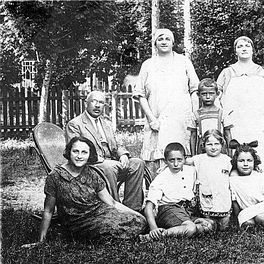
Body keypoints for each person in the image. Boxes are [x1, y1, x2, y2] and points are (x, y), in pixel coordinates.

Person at [22, 137, 147, 248]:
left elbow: (112, 202)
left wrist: (137, 214)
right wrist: (41, 240)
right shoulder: (55, 176)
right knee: (111, 228)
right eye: (75, 151)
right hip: (76, 222)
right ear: (68, 152)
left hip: (99, 212)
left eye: (84, 152)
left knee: (139, 222)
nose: (79, 156)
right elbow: (48, 211)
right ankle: (125, 239)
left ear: (89, 155)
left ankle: (126, 236)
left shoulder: (93, 173)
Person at [65, 91, 145, 212]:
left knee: (137, 163)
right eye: (94, 101)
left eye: (101, 102)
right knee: (108, 167)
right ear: (86, 103)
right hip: (89, 166)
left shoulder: (106, 123)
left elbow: (117, 144)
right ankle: (115, 208)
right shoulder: (75, 124)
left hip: (111, 164)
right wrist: (104, 161)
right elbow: (75, 152)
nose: (97, 105)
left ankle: (133, 208)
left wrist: (123, 154)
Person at [134, 28, 199, 174]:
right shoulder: (148, 65)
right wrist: (152, 119)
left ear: (173, 42)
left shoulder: (184, 62)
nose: (164, 42)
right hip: (158, 119)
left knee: (182, 155)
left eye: (167, 39)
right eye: (160, 39)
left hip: (181, 119)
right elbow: (141, 95)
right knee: (157, 159)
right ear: (155, 43)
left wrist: (194, 115)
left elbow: (194, 90)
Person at [217, 36, 264, 186]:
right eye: (240, 46)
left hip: (258, 122)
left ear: (252, 49)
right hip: (236, 123)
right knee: (238, 154)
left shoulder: (263, 73)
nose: (244, 48)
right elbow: (216, 98)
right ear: (235, 51)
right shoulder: (227, 72)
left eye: (247, 46)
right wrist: (225, 119)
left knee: (262, 154)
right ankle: (239, 191)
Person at [140, 142, 213, 241]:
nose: (175, 164)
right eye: (171, 160)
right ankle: (158, 235)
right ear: (165, 161)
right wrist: (153, 228)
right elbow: (149, 207)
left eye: (179, 160)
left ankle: (185, 228)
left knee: (210, 225)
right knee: (190, 228)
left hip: (186, 210)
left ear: (184, 159)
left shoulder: (191, 171)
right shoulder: (162, 178)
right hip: (168, 209)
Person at [229, 140, 264, 230]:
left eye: (249, 161)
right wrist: (237, 218)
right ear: (235, 162)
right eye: (241, 161)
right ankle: (257, 218)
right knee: (248, 223)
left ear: (254, 162)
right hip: (248, 209)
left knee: (262, 219)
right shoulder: (233, 179)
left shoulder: (259, 177)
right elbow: (235, 201)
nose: (245, 164)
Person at [186, 129, 232, 231]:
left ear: (222, 144)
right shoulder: (200, 158)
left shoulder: (227, 160)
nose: (213, 147)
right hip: (207, 194)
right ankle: (206, 222)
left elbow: (236, 169)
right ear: (203, 145)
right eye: (209, 144)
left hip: (223, 195)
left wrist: (255, 167)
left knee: (224, 226)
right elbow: (184, 161)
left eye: (216, 144)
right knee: (209, 225)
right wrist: (168, 165)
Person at [187, 78, 233, 156]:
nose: (208, 97)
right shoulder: (195, 115)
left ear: (217, 94)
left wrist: (230, 155)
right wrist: (194, 156)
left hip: (220, 152)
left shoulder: (222, 113)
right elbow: (193, 137)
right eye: (204, 94)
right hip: (202, 152)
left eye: (211, 93)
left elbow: (228, 135)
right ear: (198, 95)